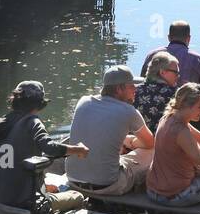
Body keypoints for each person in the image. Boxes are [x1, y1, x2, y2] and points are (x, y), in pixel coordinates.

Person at [0, 80, 90, 209]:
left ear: (14, 101)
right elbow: (49, 148)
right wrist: (78, 150)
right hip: (25, 201)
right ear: (40, 104)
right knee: (77, 196)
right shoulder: (32, 122)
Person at [65, 65, 154, 196]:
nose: (135, 89)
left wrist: (124, 140)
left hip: (72, 180)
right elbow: (150, 143)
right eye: (131, 86)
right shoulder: (128, 111)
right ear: (119, 89)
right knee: (152, 152)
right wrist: (131, 143)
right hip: (109, 185)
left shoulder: (83, 101)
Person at [145, 83, 200, 207]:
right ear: (186, 106)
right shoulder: (180, 130)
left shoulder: (169, 117)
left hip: (153, 191)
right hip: (172, 196)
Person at [141, 19, 200, 85]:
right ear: (189, 38)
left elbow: (143, 79)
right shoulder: (198, 60)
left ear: (169, 37)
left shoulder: (152, 55)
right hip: (187, 94)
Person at [134, 51, 179, 131]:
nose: (178, 76)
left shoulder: (134, 91)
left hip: (135, 140)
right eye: (176, 72)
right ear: (162, 72)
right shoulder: (176, 94)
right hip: (161, 141)